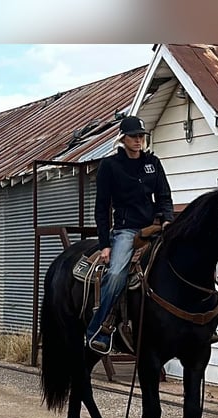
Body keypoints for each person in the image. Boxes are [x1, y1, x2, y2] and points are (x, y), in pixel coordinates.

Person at [85, 115, 173, 354]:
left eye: (141, 136)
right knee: (115, 274)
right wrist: (105, 244)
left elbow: (164, 197)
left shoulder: (153, 163)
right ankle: (100, 329)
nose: (138, 140)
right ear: (123, 138)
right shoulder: (110, 166)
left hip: (153, 227)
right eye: (134, 136)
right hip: (126, 230)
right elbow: (102, 208)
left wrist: (167, 220)